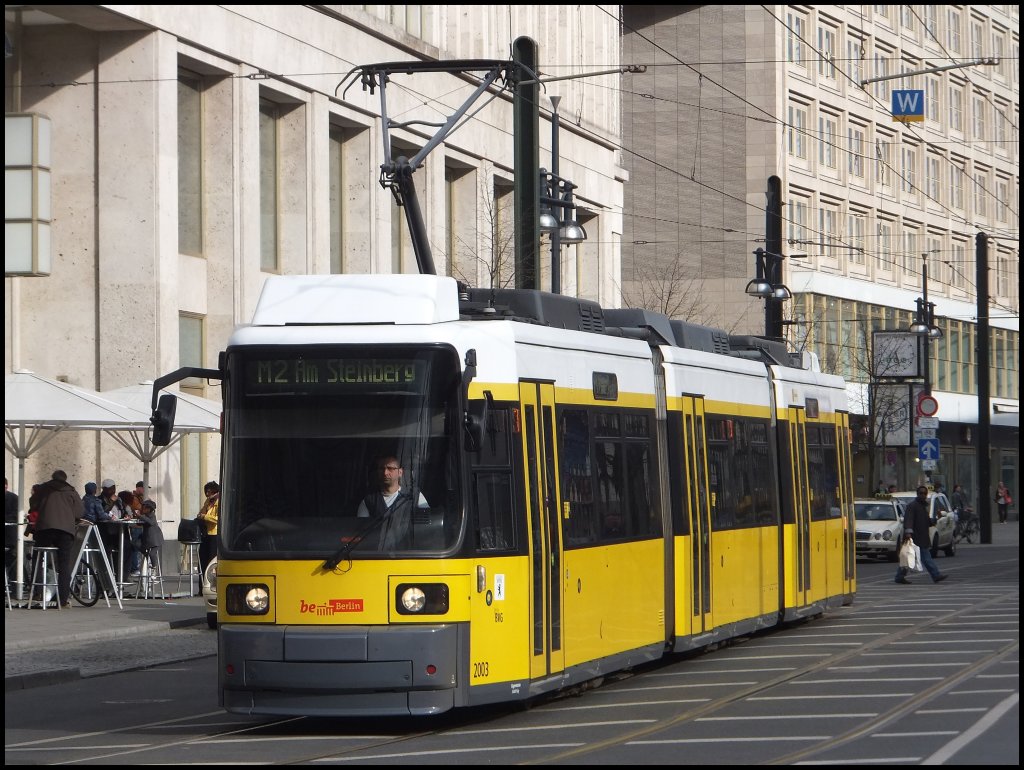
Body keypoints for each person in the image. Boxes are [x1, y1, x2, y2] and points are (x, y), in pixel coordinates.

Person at [32, 470, 84, 608]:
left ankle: (36, 592)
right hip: (65, 531)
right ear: (65, 479)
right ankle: (62, 599)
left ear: (52, 477)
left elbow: (33, 505)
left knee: (38, 559)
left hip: (45, 529)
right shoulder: (71, 491)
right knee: (64, 564)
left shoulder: (43, 488)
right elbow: (80, 512)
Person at [355, 455, 427, 549]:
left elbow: (426, 529)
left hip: (407, 556)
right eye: (381, 468)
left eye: (390, 468)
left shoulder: (415, 497)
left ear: (400, 472)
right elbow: (361, 534)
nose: (385, 473)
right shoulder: (368, 501)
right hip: (377, 556)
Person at [895, 485, 947, 585]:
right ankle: (936, 575)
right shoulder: (912, 506)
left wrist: (936, 518)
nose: (923, 495)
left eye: (924, 493)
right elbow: (908, 520)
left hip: (922, 537)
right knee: (925, 558)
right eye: (921, 493)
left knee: (908, 559)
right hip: (914, 538)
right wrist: (908, 533)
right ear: (917, 494)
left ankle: (899, 576)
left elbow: (928, 522)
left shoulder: (923, 507)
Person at [196, 481, 220, 574]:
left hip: (214, 534)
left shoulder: (219, 502)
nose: (207, 494)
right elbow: (201, 513)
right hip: (205, 534)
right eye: (206, 492)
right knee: (202, 562)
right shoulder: (208, 501)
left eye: (209, 492)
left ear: (215, 491)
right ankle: (201, 586)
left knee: (211, 561)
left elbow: (219, 519)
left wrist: (204, 517)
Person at [135, 499, 165, 573]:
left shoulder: (152, 516)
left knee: (152, 553)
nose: (142, 509)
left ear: (149, 509)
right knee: (136, 544)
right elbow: (141, 523)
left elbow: (151, 522)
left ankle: (154, 568)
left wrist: (140, 516)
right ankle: (146, 554)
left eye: (144, 508)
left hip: (155, 540)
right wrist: (137, 517)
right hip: (147, 540)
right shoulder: (145, 516)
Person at [5, 477, 18, 591]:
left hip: (9, 535)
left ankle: (15, 586)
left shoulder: (13, 498)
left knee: (12, 559)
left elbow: (16, 514)